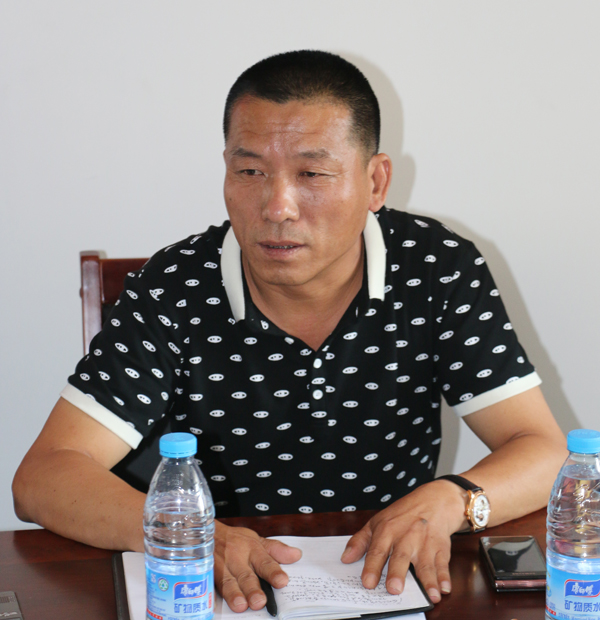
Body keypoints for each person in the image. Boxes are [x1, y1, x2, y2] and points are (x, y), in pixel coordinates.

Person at [13, 50, 566, 610]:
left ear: (375, 182)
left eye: (312, 174)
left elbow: (542, 449)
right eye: (249, 171)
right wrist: (186, 535)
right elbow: (44, 477)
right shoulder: (175, 287)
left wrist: (454, 499)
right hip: (218, 588)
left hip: (381, 583)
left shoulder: (436, 268)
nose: (277, 207)